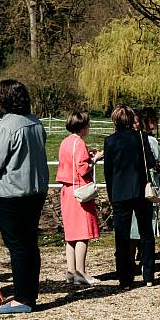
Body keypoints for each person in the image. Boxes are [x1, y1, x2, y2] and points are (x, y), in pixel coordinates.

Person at [0, 79, 49, 314]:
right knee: (30, 244)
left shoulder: (8, 125)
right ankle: (29, 294)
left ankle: (22, 299)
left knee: (18, 246)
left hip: (12, 192)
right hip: (35, 191)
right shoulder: (35, 123)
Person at [103, 104, 155, 291]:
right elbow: (150, 162)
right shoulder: (141, 138)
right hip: (141, 190)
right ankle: (148, 274)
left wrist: (111, 194)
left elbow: (108, 171)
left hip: (120, 193)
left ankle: (125, 278)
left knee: (122, 236)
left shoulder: (110, 142)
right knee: (146, 233)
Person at [55, 111, 101, 286]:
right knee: (82, 234)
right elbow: (82, 169)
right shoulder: (79, 143)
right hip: (79, 192)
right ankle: (81, 272)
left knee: (71, 235)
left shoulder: (65, 142)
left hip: (66, 191)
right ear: (83, 127)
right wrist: (95, 159)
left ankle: (71, 272)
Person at [129, 107, 160, 260]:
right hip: (148, 187)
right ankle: (145, 259)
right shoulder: (150, 140)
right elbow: (157, 167)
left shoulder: (131, 139)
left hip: (133, 188)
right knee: (146, 225)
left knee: (134, 225)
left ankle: (132, 258)